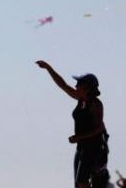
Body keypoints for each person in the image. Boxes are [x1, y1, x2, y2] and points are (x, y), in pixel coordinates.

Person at [36, 60, 109, 188]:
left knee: (82, 182)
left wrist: (79, 137)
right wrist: (48, 68)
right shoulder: (81, 100)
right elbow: (63, 85)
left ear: (87, 87)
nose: (75, 86)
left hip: (93, 148)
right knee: (77, 184)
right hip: (81, 147)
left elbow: (99, 128)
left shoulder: (96, 104)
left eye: (79, 84)